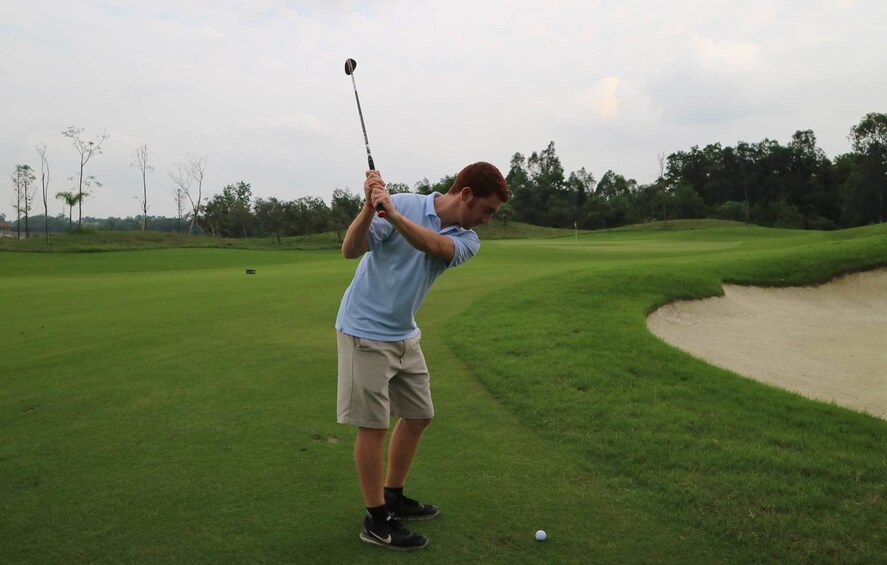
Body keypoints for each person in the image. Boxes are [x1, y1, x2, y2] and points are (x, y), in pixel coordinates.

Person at [335, 162, 508, 550]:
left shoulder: (466, 239)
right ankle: (376, 520)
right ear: (466, 194)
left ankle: (393, 495)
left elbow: (432, 245)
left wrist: (391, 214)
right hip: (364, 329)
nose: (488, 220)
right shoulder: (402, 204)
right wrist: (368, 208)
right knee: (373, 426)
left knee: (419, 415)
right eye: (487, 210)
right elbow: (350, 250)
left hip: (404, 333)